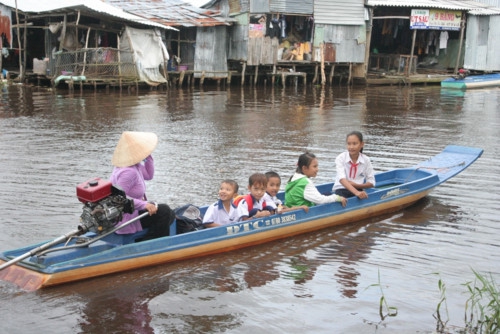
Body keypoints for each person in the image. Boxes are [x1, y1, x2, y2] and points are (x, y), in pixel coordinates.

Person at [110, 131, 175, 241]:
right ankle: (153, 242)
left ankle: (149, 235)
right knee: (165, 211)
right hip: (127, 217)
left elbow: (149, 175)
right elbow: (118, 199)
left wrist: (148, 157)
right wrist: (144, 205)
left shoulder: (135, 166)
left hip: (134, 210)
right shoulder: (127, 172)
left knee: (171, 214)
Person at [332, 131, 375, 199]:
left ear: (362, 144)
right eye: (349, 144)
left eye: (354, 144)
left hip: (358, 189)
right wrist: (356, 193)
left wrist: (357, 186)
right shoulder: (341, 158)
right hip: (341, 189)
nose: (351, 147)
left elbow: (371, 183)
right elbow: (342, 179)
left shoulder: (366, 160)